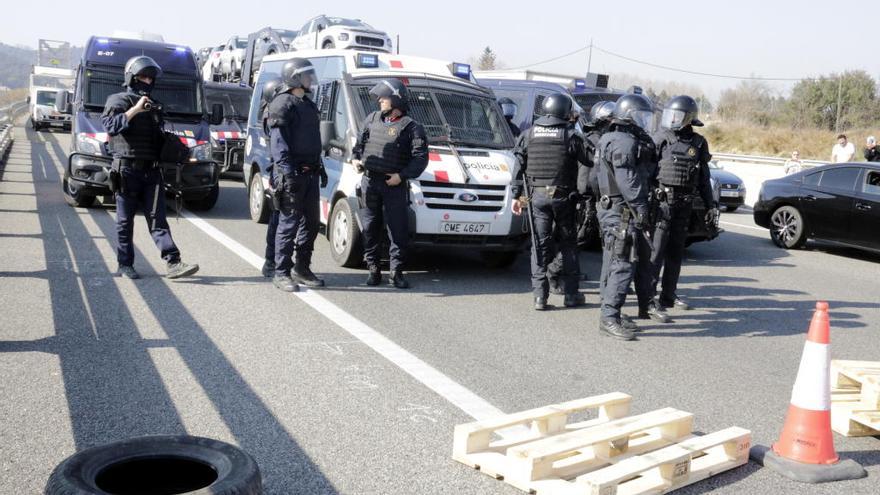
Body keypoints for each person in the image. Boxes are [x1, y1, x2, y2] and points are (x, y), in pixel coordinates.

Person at [101, 56, 199, 280]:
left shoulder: (154, 105)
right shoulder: (117, 100)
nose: (147, 80)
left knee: (158, 219)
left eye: (150, 77)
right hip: (126, 170)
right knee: (125, 222)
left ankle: (173, 262)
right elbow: (111, 126)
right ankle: (125, 264)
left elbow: (156, 138)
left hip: (152, 171)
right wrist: (135, 109)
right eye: (143, 76)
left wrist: (173, 148)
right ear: (131, 78)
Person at [511, 92, 588, 310]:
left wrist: (518, 197)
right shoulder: (571, 136)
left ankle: (540, 297)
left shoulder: (528, 134)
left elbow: (519, 168)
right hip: (563, 197)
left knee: (539, 244)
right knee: (569, 245)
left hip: (536, 196)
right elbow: (590, 159)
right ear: (565, 111)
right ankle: (571, 295)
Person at [595, 93, 661, 339]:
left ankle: (612, 312)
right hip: (622, 212)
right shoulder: (624, 142)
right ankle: (609, 318)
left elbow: (595, 178)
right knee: (623, 263)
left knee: (613, 262)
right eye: (640, 116)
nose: (643, 121)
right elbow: (628, 181)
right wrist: (641, 208)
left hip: (612, 208)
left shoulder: (608, 138)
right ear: (628, 116)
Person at [352, 78, 429, 288]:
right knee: (369, 227)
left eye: (384, 98)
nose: (380, 102)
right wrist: (355, 159)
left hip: (394, 184)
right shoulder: (371, 119)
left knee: (397, 230)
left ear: (396, 100)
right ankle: (373, 269)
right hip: (370, 181)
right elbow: (358, 146)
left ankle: (396, 272)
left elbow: (420, 158)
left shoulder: (412, 128)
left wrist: (402, 176)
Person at [650, 95, 718, 316]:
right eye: (670, 114)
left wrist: (711, 205)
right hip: (662, 203)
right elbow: (648, 173)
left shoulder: (698, 143)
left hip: (685, 204)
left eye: (677, 115)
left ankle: (668, 295)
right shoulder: (660, 138)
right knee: (656, 251)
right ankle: (648, 298)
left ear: (688, 118)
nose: (672, 119)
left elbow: (703, 177)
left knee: (675, 252)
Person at [267, 58, 328, 292]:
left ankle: (302, 267)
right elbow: (279, 144)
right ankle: (281, 272)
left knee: (311, 224)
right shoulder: (282, 104)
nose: (310, 79)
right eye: (306, 75)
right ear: (294, 77)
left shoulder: (309, 105)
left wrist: (319, 166)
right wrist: (287, 173)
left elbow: (313, 141)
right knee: (288, 224)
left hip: (310, 175)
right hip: (291, 175)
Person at [547, 101, 614, 296]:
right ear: (603, 120)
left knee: (606, 243)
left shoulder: (600, 138)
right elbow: (588, 175)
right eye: (611, 119)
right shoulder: (593, 140)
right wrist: (591, 197)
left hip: (596, 198)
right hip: (587, 199)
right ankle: (554, 271)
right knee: (579, 239)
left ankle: (608, 283)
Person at [258, 76, 284, 278]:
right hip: (279, 171)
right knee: (277, 218)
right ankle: (270, 261)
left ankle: (277, 260)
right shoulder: (271, 114)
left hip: (281, 169)